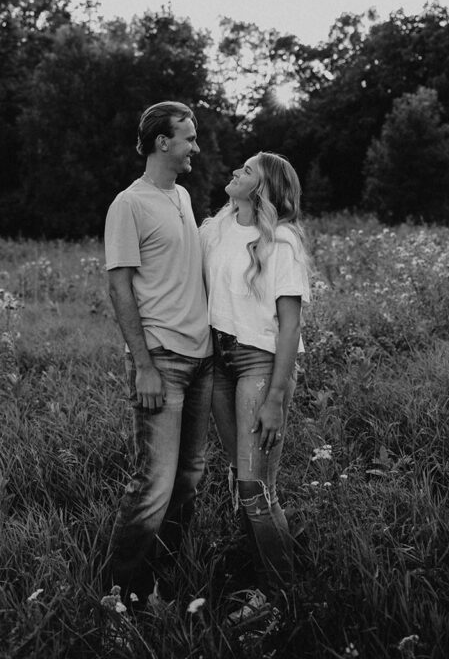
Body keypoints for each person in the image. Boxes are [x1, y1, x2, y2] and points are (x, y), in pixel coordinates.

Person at [103, 101, 213, 609]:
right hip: (162, 360)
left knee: (189, 479)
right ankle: (118, 594)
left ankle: (156, 585)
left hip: (202, 357)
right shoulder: (129, 204)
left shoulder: (184, 197)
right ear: (163, 143)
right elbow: (120, 287)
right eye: (188, 138)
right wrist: (143, 364)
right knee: (153, 485)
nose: (196, 146)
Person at [200, 151, 310, 623]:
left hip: (258, 362)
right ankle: (265, 575)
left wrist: (277, 399)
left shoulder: (281, 242)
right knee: (241, 477)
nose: (234, 173)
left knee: (255, 488)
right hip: (219, 362)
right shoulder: (221, 226)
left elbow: (290, 327)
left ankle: (283, 597)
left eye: (245, 171)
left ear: (261, 188)